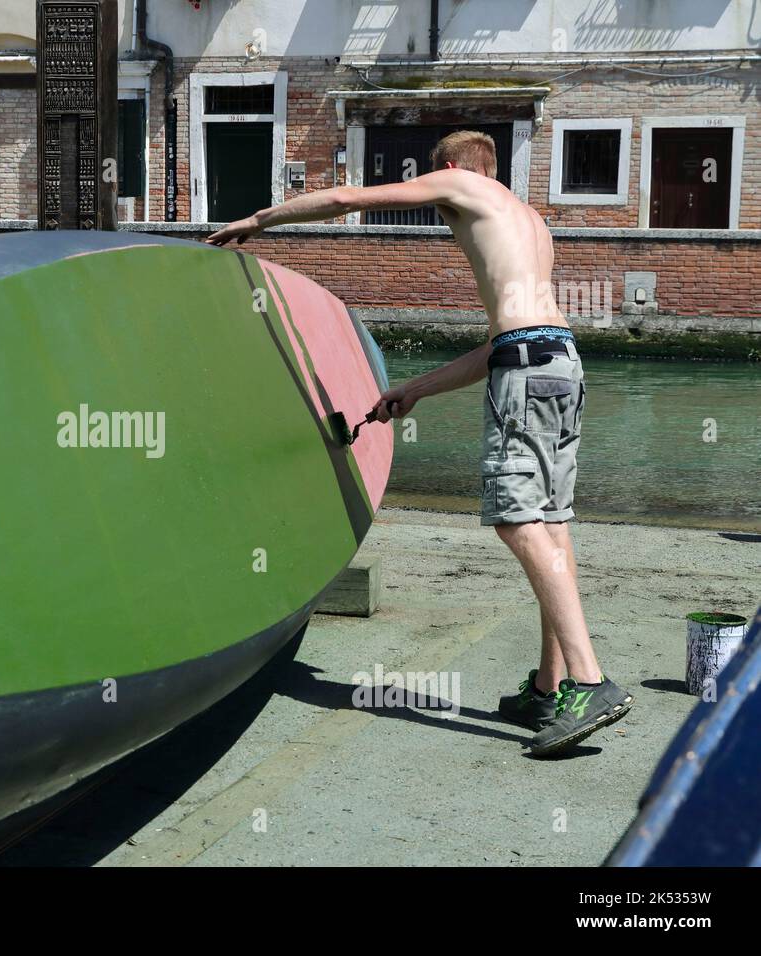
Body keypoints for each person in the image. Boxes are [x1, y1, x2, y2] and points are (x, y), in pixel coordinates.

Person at [205, 130, 632, 756]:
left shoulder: (461, 184)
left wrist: (260, 219)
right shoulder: (530, 224)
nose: (436, 202)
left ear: (455, 169)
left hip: (527, 369)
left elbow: (348, 198)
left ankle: (590, 681)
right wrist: (418, 389)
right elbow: (501, 345)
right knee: (551, 522)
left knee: (517, 521)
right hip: (559, 364)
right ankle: (550, 686)